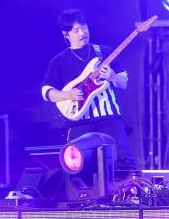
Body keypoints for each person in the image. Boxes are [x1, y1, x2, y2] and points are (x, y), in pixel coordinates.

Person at [41, 9, 136, 170]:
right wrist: (67, 94)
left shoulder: (104, 52)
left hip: (110, 119)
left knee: (124, 164)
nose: (82, 33)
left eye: (84, 27)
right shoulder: (59, 62)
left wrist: (113, 76)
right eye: (76, 30)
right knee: (79, 169)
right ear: (66, 34)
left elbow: (123, 83)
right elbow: (47, 92)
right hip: (79, 123)